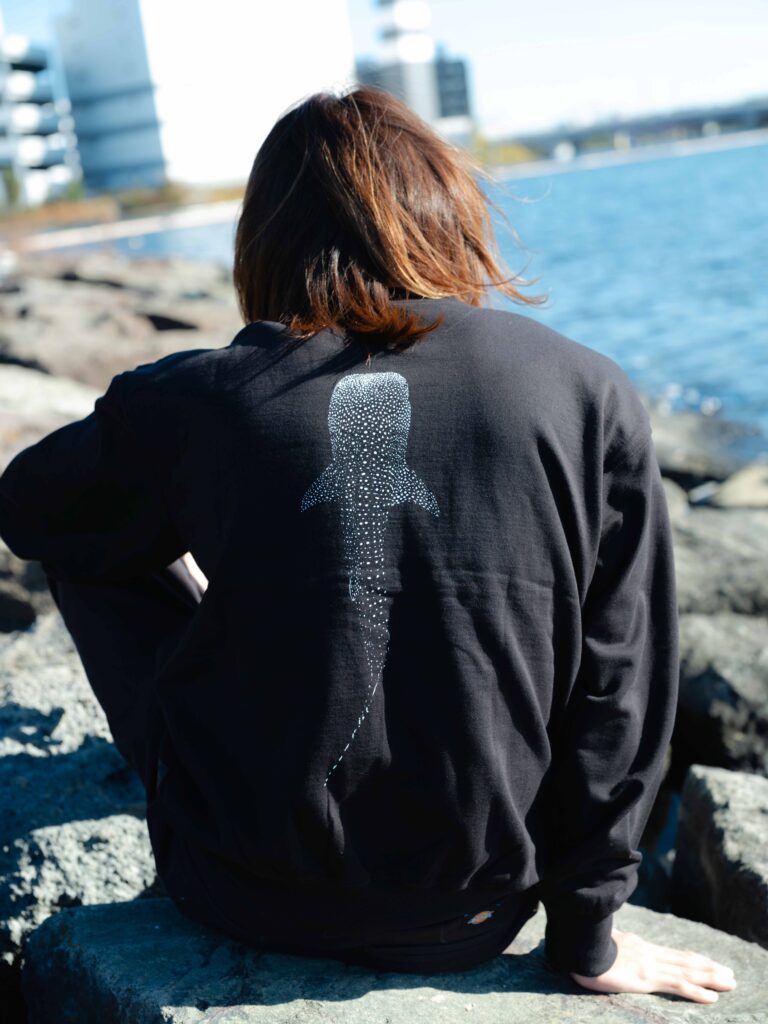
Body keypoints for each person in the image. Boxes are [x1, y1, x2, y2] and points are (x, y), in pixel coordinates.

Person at [0, 85, 736, 1004]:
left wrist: (215, 547)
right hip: (480, 913)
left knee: (88, 531)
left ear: (266, 238)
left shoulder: (201, 400)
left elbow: (31, 510)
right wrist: (587, 935)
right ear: (447, 211)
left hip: (237, 886)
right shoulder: (587, 389)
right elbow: (623, 681)